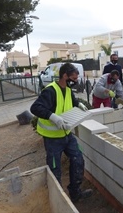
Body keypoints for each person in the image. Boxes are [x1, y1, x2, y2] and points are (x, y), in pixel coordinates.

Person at [30, 62, 92, 202]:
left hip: (67, 135)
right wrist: (52, 116)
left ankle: (75, 193)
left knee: (78, 160)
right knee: (54, 169)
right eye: (74, 78)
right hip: (52, 139)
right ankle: (58, 200)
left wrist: (79, 104)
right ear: (65, 76)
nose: (76, 81)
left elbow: (72, 102)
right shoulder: (50, 91)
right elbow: (35, 108)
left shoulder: (69, 91)